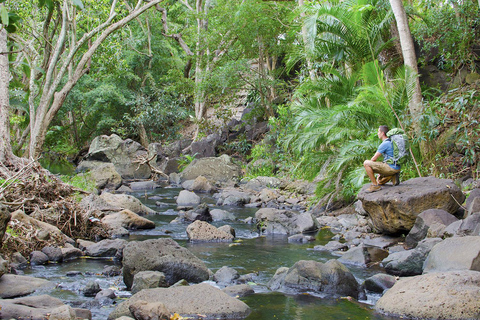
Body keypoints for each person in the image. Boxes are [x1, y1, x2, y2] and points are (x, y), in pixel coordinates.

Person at [363, 125, 400, 193]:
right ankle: (393, 175)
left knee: (366, 163)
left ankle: (375, 186)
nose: (377, 133)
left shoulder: (385, 144)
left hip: (391, 167)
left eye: (378, 131)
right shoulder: (392, 142)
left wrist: (371, 170)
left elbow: (373, 159)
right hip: (396, 167)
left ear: (382, 133)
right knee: (379, 181)